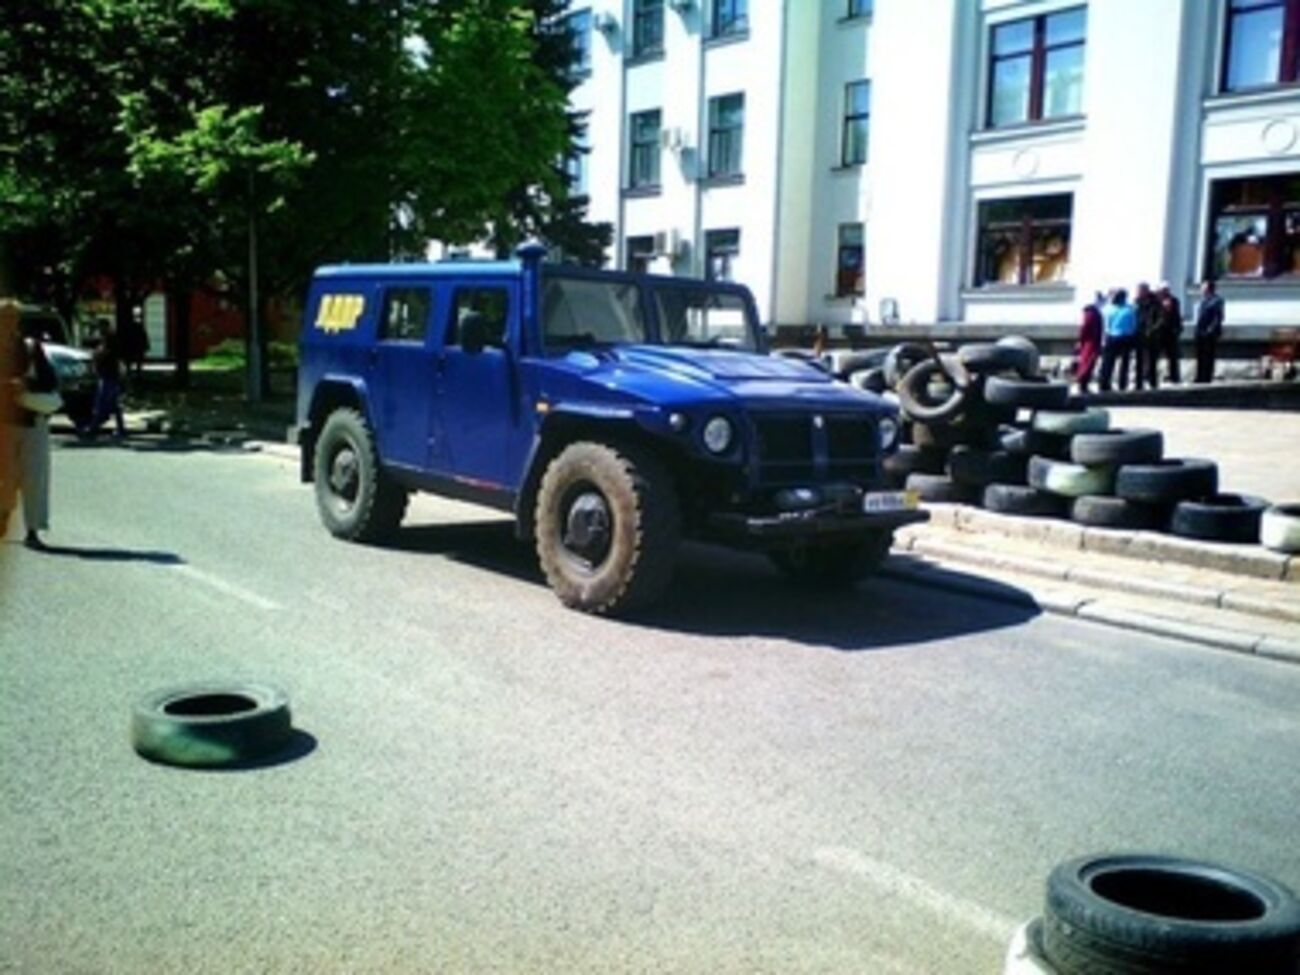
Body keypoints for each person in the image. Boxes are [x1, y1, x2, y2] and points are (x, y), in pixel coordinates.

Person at [1, 299, 59, 549]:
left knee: (35, 477)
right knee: (6, 477)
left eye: (12, 317)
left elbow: (49, 381)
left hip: (32, 420)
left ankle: (33, 530)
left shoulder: (31, 347)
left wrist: (27, 385)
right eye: (4, 317)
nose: (8, 322)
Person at [80, 324, 126, 439]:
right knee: (114, 405)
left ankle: (93, 428)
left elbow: (98, 357)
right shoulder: (112, 346)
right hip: (112, 377)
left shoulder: (106, 348)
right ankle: (120, 428)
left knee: (100, 404)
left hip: (107, 377)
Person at [1098, 287, 1137, 392]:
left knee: (1108, 362)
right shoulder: (1130, 309)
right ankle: (1122, 384)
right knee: (1123, 363)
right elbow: (1133, 325)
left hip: (1112, 337)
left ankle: (1104, 383)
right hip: (1124, 337)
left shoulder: (1108, 309)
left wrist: (1103, 339)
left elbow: (1105, 326)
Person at [1194, 280, 1225, 384]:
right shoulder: (1203, 300)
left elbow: (1218, 317)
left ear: (1209, 289)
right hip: (1200, 331)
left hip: (1209, 333)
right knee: (1200, 355)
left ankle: (1206, 376)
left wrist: (1210, 330)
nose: (1202, 290)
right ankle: (1199, 375)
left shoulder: (1217, 300)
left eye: (1203, 288)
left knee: (1208, 355)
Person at [1133, 281, 1161, 390]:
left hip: (1152, 336)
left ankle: (1153, 382)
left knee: (1152, 360)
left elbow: (1160, 319)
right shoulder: (1136, 302)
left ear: (1146, 291)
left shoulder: (1155, 303)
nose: (1139, 293)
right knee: (1139, 360)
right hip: (1139, 335)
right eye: (1138, 291)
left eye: (1140, 291)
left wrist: (1152, 329)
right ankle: (1138, 383)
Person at [1074, 297, 1103, 393]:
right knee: (1087, 364)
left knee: (1087, 363)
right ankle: (1083, 385)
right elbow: (1085, 328)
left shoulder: (1089, 314)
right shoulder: (1092, 314)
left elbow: (1084, 329)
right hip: (1091, 343)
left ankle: (1083, 384)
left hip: (1090, 342)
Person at [1156, 282, 1183, 385]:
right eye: (1163, 290)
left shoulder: (1174, 301)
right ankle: (1150, 375)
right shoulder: (1156, 300)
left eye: (1166, 290)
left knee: (1172, 355)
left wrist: (1177, 329)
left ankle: (1174, 376)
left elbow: (1177, 316)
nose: (1165, 292)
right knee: (1154, 356)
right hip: (1158, 332)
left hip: (1170, 332)